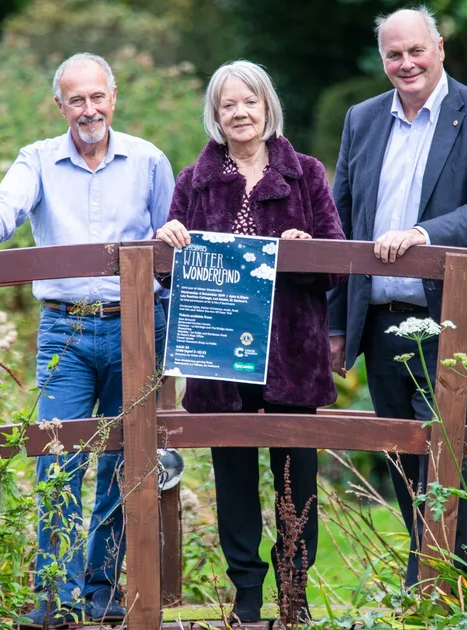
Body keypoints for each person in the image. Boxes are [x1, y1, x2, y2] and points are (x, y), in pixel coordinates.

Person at [0, 52, 173, 627]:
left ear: (113, 98)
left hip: (135, 326)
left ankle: (102, 593)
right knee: (56, 458)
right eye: (77, 99)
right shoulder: (39, 160)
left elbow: (175, 234)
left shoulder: (148, 160)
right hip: (65, 328)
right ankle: (57, 597)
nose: (89, 109)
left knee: (124, 460)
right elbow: (7, 205)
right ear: (60, 106)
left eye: (97, 97)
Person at [327, 6, 467, 586]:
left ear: (439, 48)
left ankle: (437, 585)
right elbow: (341, 222)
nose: (406, 63)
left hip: (452, 320)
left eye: (416, 50)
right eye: (394, 54)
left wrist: (423, 235)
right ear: (383, 59)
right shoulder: (362, 120)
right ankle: (448, 586)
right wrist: (337, 323)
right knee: (400, 454)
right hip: (380, 319)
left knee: (441, 454)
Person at [154, 60, 345, 624]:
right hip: (220, 360)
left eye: (249, 102)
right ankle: (246, 598)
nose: (239, 113)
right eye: (227, 105)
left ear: (267, 106)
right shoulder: (194, 181)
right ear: (215, 115)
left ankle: (295, 593)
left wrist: (305, 245)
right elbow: (169, 272)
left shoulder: (306, 173)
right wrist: (169, 241)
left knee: (295, 478)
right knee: (234, 481)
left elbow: (336, 262)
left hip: (292, 354)